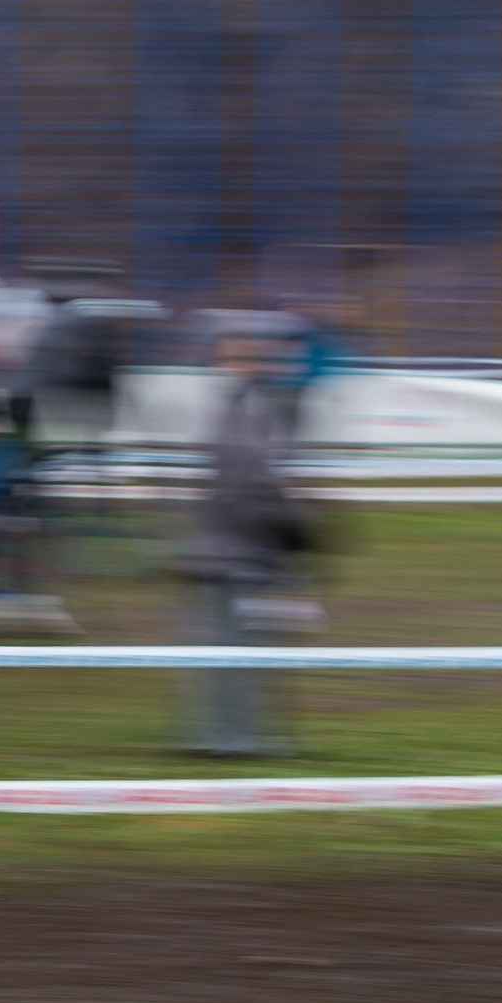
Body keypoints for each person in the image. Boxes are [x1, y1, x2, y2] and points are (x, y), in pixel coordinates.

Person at [174, 312, 320, 757]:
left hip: (237, 546)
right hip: (236, 549)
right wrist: (294, 530)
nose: (290, 363)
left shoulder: (257, 402)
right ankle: (235, 739)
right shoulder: (249, 405)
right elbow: (253, 481)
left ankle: (234, 735)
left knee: (239, 646)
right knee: (234, 647)